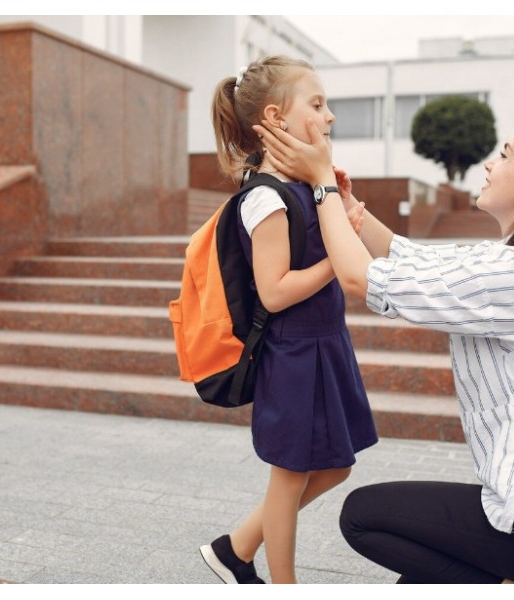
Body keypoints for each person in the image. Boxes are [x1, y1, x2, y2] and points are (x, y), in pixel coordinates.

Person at [254, 112, 514, 584]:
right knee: (417, 579)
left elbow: (360, 279)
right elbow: (409, 256)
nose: (489, 164)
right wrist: (345, 203)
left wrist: (321, 183)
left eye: (505, 154)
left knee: (363, 517)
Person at [199, 56, 378, 585]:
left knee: (336, 465)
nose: (329, 116)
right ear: (276, 118)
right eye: (317, 104)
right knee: (290, 476)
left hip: (325, 345)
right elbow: (275, 293)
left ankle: (235, 549)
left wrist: (339, 204)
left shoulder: (306, 185)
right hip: (294, 354)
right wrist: (337, 260)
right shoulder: (265, 198)